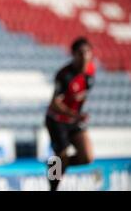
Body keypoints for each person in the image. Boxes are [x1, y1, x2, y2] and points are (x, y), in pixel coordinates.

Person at [45, 37, 96, 191]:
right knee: (61, 157)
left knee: (87, 157)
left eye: (87, 52)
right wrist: (75, 114)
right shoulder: (64, 75)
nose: (85, 57)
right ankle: (53, 187)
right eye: (81, 53)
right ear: (73, 55)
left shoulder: (91, 72)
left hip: (73, 119)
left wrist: (76, 115)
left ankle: (56, 164)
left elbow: (80, 96)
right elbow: (55, 103)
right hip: (57, 121)